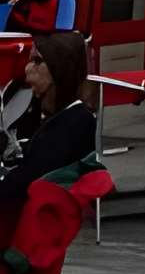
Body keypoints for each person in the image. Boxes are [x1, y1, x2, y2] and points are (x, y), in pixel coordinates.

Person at [0, 34, 96, 210]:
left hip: (38, 213)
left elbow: (22, 183)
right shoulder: (58, 114)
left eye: (37, 61)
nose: (27, 68)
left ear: (60, 68)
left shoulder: (72, 124)